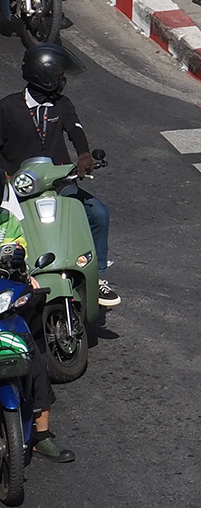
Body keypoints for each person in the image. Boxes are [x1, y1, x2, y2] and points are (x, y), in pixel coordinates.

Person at [0, 44, 118, 308]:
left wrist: (84, 155)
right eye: (61, 75)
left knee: (98, 214)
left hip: (59, 183)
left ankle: (94, 275)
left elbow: (75, 130)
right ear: (46, 74)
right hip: (20, 190)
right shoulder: (7, 108)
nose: (64, 80)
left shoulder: (61, 105)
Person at [0, 175, 74, 462]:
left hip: (5, 298)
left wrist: (19, 264)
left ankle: (41, 435)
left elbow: (20, 251)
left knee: (34, 359)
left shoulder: (7, 220)